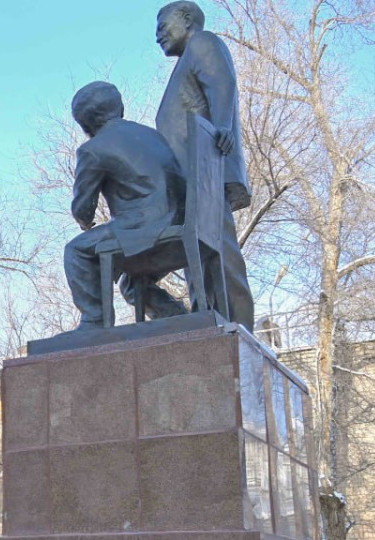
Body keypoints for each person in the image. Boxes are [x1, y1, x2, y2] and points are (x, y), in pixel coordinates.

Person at [154, 0, 254, 332]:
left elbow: (222, 84)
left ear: (186, 18)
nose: (157, 35)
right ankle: (202, 327)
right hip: (187, 179)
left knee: (220, 255)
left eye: (162, 25)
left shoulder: (203, 42)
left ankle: (240, 332)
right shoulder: (185, 60)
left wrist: (222, 127)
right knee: (199, 260)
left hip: (204, 171)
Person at [63, 81, 188, 330]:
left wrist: (85, 222)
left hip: (147, 229)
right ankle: (175, 315)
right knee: (130, 283)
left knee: (77, 251)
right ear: (119, 108)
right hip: (184, 223)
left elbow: (83, 208)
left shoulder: (93, 150)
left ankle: (94, 321)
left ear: (85, 123)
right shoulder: (152, 136)